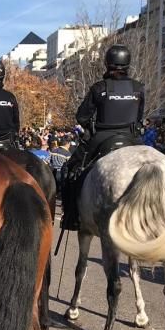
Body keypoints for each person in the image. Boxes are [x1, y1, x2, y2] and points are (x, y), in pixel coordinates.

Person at [60, 44, 145, 230]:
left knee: (71, 171)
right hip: (132, 138)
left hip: (103, 137)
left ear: (107, 63)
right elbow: (139, 117)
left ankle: (72, 216)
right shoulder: (138, 88)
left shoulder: (99, 88)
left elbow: (82, 116)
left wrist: (90, 127)